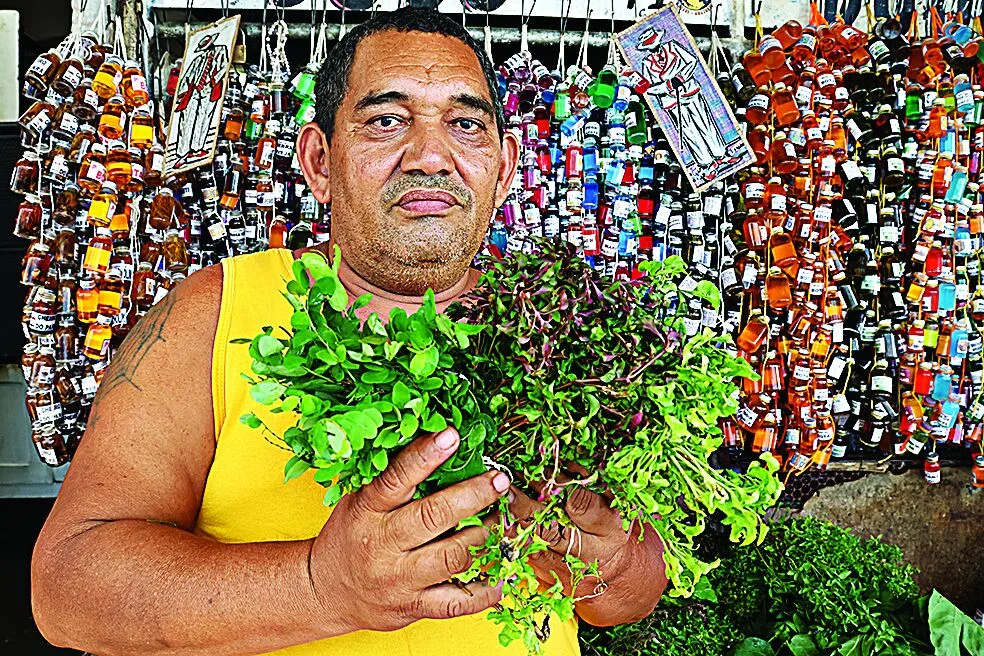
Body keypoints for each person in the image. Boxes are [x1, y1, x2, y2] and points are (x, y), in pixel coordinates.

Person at [31, 9, 667, 655]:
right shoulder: (214, 311)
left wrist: (611, 562)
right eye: (386, 121)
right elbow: (67, 591)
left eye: (465, 124)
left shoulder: (572, 329)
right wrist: (319, 585)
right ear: (319, 162)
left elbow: (629, 594)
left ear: (503, 169)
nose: (429, 156)